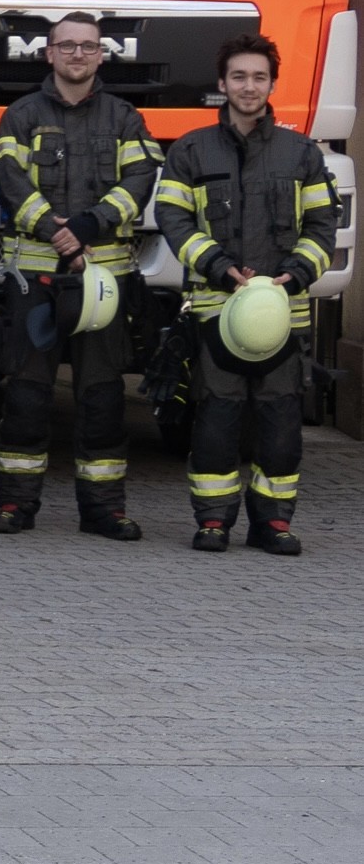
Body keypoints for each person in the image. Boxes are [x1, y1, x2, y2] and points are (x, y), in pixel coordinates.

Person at [154, 33, 336, 556]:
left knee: (280, 421)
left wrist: (297, 274)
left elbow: (324, 225)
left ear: (272, 84)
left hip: (282, 313)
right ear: (222, 84)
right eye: (239, 76)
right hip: (217, 311)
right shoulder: (191, 149)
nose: (249, 86)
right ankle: (214, 520)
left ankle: (273, 523)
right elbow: (172, 218)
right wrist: (216, 266)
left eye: (258, 77)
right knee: (216, 418)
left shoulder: (301, 153)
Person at [0, 10, 159, 540]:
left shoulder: (125, 117)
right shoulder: (20, 114)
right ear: (49, 53)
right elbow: (7, 177)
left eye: (88, 46)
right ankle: (16, 506)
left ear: (102, 55)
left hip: (103, 285)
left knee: (103, 396)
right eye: (68, 46)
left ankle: (104, 510)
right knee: (27, 395)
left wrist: (90, 223)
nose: (78, 54)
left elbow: (141, 177)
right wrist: (53, 229)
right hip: (35, 283)